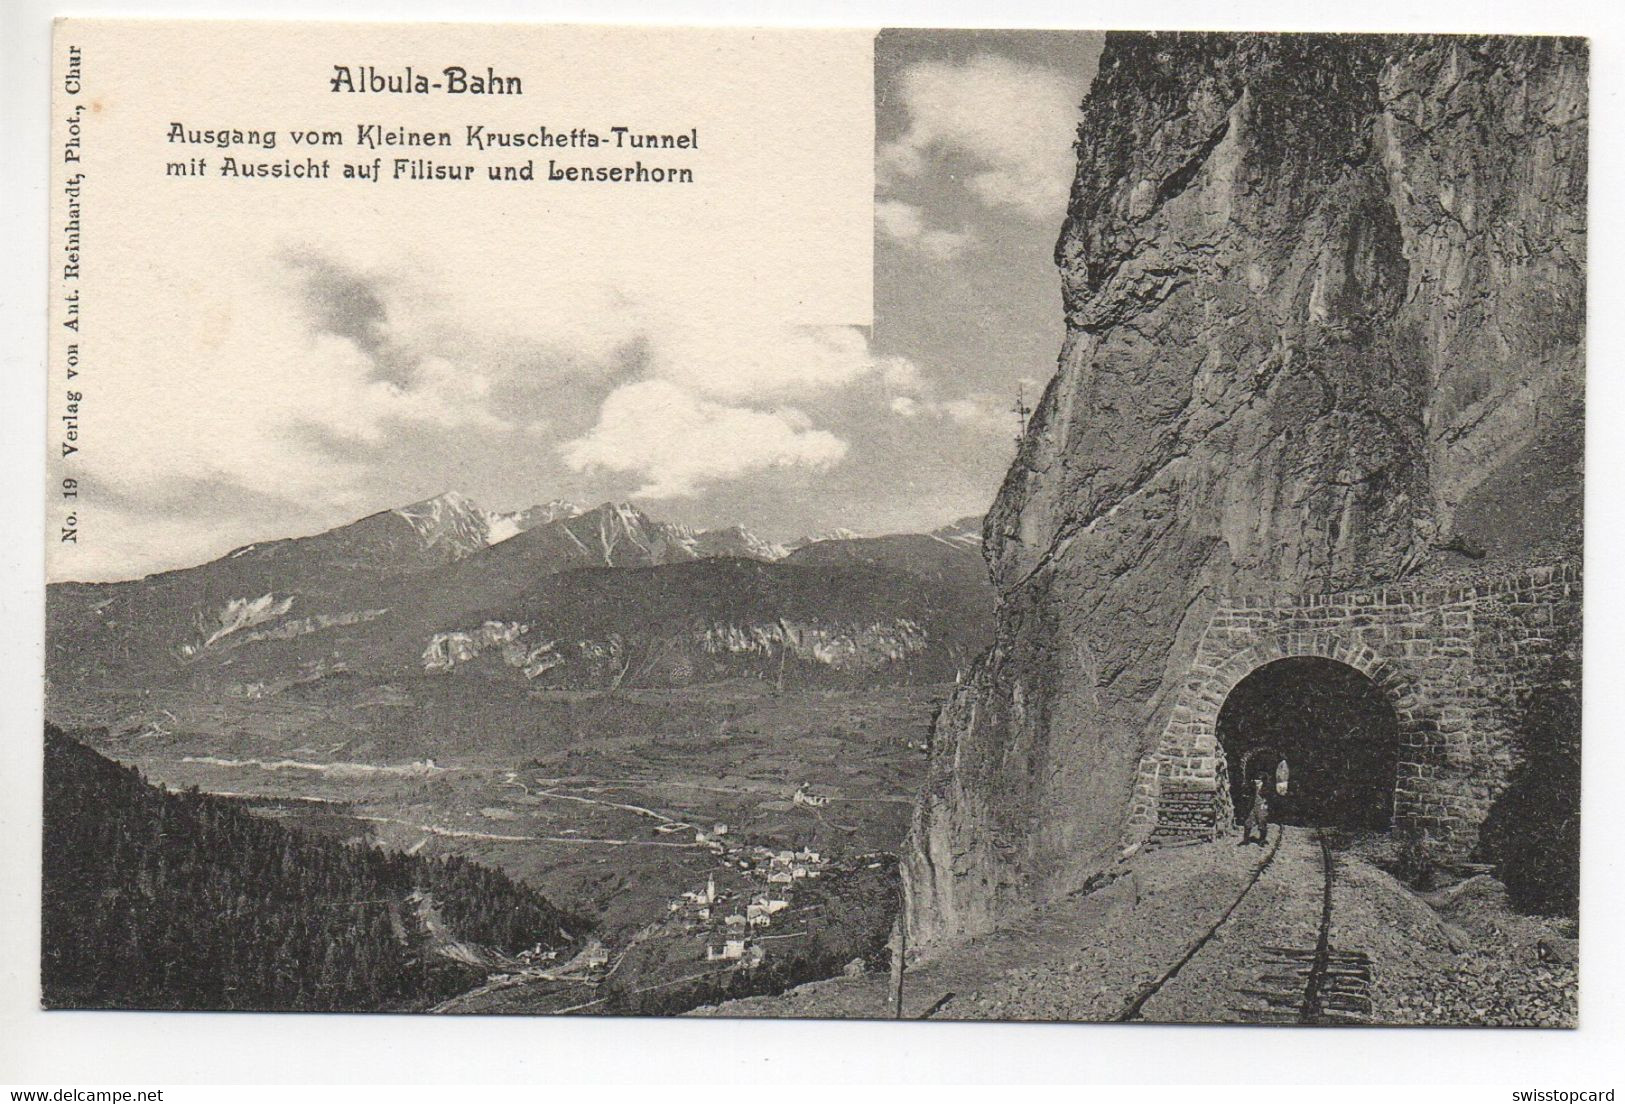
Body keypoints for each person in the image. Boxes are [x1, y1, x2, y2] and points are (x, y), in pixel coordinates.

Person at [1239, 776, 1270, 846]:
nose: (1257, 782)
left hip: (1261, 806)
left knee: (1262, 821)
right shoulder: (1252, 787)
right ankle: (1246, 840)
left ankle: (1262, 839)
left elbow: (1267, 797)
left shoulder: (1265, 788)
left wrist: (1265, 805)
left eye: (1259, 780)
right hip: (1252, 806)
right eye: (1256, 780)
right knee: (1248, 822)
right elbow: (1246, 792)